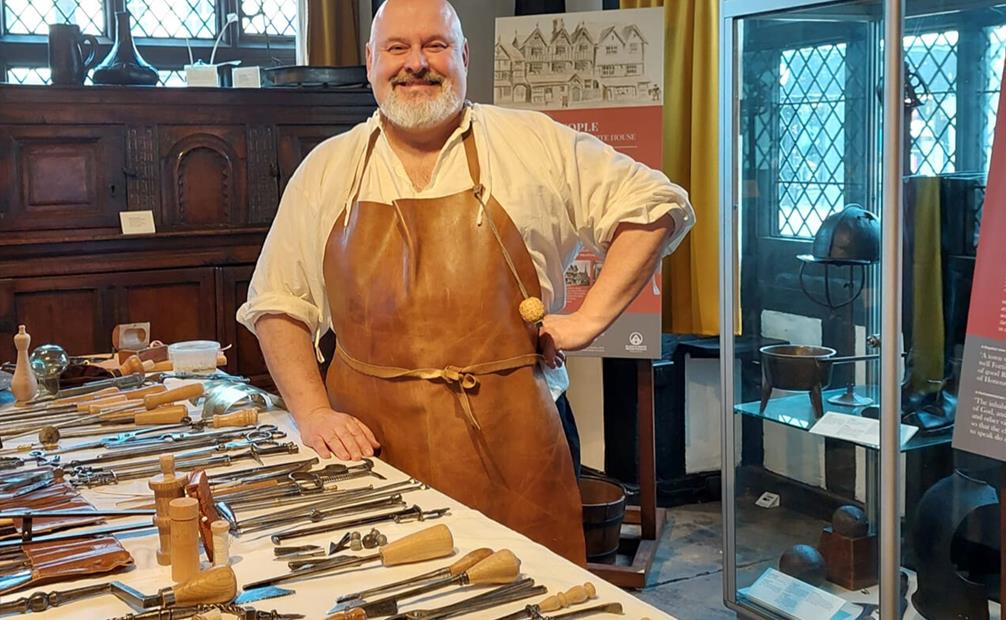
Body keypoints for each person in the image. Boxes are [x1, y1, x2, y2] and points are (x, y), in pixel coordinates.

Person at [236, 0, 694, 562]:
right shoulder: (329, 168)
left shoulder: (533, 143)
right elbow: (278, 304)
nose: (416, 63)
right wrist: (314, 413)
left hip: (517, 444)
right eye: (397, 49)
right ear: (370, 61)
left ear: (463, 55)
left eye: (435, 45)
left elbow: (654, 205)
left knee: (528, 592)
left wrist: (590, 319)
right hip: (370, 450)